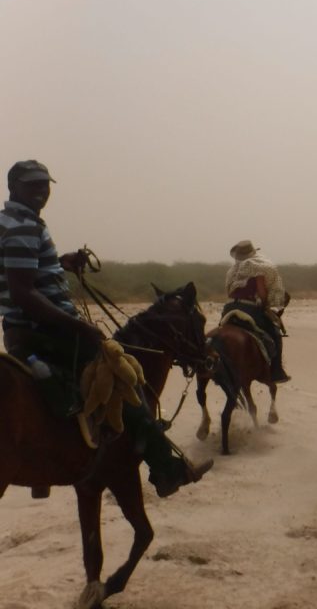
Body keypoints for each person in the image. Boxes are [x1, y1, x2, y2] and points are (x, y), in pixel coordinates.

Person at [0, 159, 213, 497]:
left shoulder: (9, 221)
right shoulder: (24, 226)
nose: (42, 190)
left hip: (17, 330)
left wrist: (61, 262)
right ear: (13, 186)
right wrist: (80, 328)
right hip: (46, 330)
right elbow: (24, 292)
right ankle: (166, 467)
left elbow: (21, 271)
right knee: (123, 373)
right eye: (33, 184)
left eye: (45, 184)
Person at [223, 240, 291, 383]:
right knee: (274, 332)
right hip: (249, 308)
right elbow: (262, 292)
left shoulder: (233, 271)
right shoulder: (259, 268)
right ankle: (277, 370)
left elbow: (229, 292)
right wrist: (266, 304)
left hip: (229, 307)